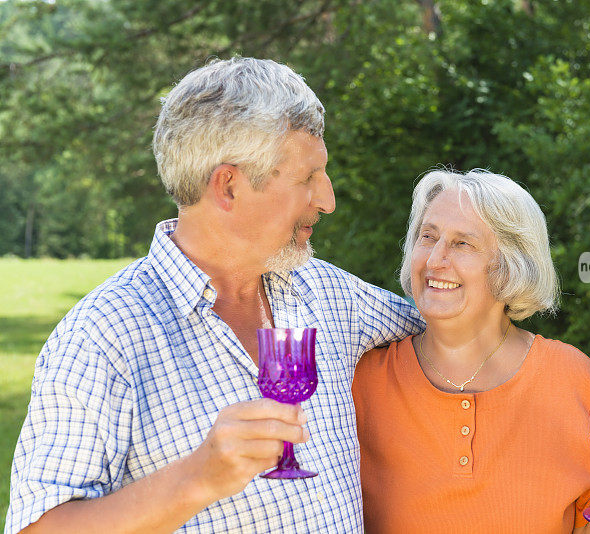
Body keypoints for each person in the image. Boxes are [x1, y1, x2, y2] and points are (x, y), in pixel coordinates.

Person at [6, 57, 424, 533]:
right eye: (307, 178)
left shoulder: (327, 292)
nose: (327, 199)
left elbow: (447, 327)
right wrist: (197, 478)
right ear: (227, 186)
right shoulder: (103, 334)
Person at [353, 169, 590, 533]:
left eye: (462, 243)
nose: (435, 259)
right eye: (428, 236)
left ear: (511, 265)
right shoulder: (363, 381)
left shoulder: (572, 377)